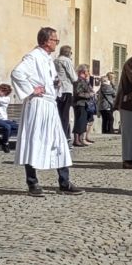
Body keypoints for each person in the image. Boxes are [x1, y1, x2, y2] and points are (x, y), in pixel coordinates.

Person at [11, 28, 84, 196]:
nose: (56, 43)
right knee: (34, 139)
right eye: (54, 40)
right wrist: (31, 89)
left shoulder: (48, 59)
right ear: (45, 41)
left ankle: (64, 182)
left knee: (59, 141)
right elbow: (17, 73)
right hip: (38, 105)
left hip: (49, 104)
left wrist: (54, 85)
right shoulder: (33, 56)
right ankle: (32, 183)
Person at [54, 45, 77, 141]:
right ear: (68, 52)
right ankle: (64, 136)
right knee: (65, 114)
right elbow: (74, 77)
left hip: (57, 90)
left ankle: (60, 135)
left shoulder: (55, 60)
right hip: (66, 89)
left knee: (59, 113)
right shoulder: (66, 61)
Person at [0, 83, 18, 152]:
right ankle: (5, 143)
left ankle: (2, 139)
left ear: (6, 93)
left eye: (2, 91)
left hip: (4, 119)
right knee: (7, 127)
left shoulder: (7, 99)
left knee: (18, 127)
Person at [72, 65, 94, 147]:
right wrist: (89, 95)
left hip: (84, 104)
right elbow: (78, 93)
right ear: (83, 72)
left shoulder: (84, 81)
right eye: (88, 71)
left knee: (83, 122)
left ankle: (80, 139)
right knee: (79, 122)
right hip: (80, 103)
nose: (88, 73)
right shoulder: (79, 81)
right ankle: (76, 140)